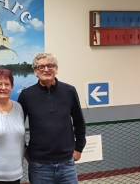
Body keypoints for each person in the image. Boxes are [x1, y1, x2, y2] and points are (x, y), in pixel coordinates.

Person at [18, 53, 86, 184]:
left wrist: (79, 148)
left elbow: (79, 122)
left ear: (56, 69)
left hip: (67, 164)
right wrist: (25, 150)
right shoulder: (26, 95)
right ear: (35, 72)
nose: (46, 69)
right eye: (41, 67)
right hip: (39, 166)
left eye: (50, 66)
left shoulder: (69, 91)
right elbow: (17, 127)